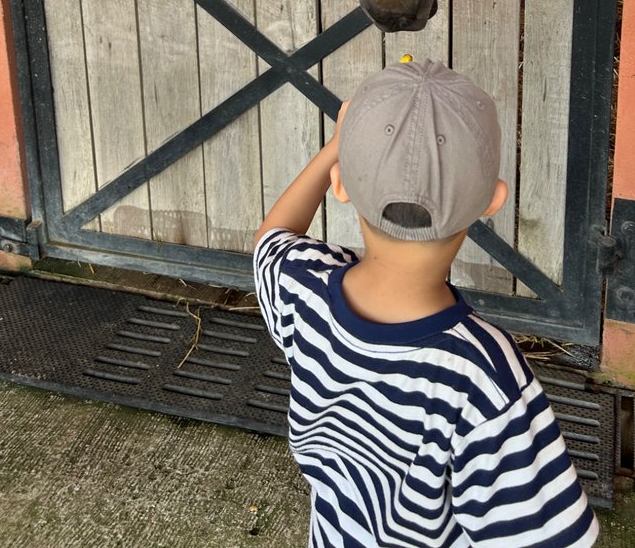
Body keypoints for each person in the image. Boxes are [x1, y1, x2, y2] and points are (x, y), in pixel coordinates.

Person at [252, 57, 599, 548]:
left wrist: (335, 148)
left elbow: (274, 236)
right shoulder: (483, 373)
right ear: (491, 203)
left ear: (341, 186)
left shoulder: (301, 289)